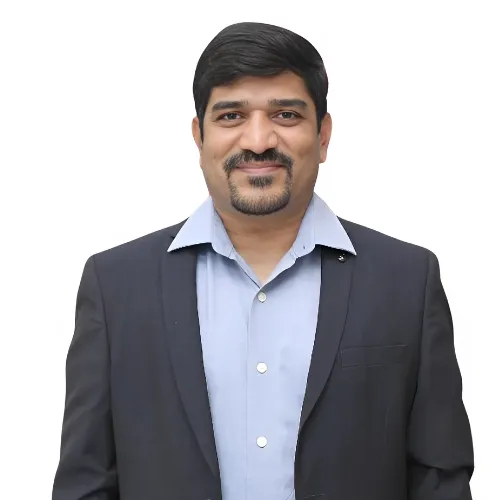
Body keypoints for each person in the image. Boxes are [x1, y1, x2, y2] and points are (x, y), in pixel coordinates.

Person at [52, 21, 474, 500]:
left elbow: (440, 479)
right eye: (231, 116)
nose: (257, 140)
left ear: (323, 135)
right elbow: (85, 482)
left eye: (286, 115)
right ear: (199, 137)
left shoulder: (406, 281)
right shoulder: (115, 287)